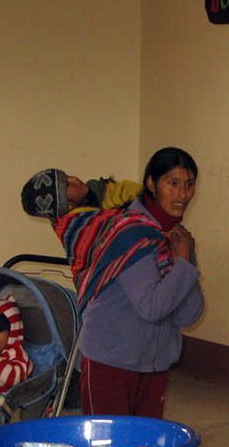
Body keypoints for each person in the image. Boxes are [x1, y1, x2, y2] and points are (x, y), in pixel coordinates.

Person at [22, 147, 204, 418]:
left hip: (154, 363)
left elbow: (190, 314)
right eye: (173, 183)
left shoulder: (175, 239)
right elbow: (152, 307)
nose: (183, 194)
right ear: (152, 184)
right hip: (112, 360)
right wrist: (184, 265)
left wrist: (184, 262)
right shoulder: (130, 232)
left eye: (189, 185)